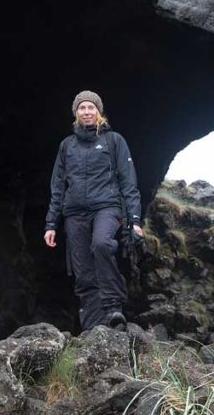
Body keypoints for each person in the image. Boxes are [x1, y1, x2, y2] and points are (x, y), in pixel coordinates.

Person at [44, 90, 143, 331]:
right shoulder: (66, 146)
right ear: (76, 113)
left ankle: (113, 308)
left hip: (107, 207)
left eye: (91, 108)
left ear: (99, 112)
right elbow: (57, 186)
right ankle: (93, 325)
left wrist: (134, 219)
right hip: (74, 212)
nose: (86, 112)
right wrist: (51, 224)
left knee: (101, 244)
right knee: (82, 267)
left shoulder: (114, 141)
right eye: (82, 108)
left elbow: (128, 182)